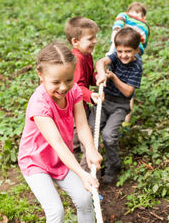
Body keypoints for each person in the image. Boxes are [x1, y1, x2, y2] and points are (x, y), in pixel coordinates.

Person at [18, 42, 102, 223]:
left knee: (85, 198)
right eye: (56, 82)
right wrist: (82, 173)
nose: (63, 87)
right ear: (41, 75)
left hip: (60, 160)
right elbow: (57, 143)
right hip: (36, 162)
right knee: (56, 211)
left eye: (69, 79)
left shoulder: (73, 92)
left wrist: (91, 150)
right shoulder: (39, 105)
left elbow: (81, 125)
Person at [91, 27, 142, 184]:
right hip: (105, 100)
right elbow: (100, 61)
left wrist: (112, 77)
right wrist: (101, 73)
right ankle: (94, 167)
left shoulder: (136, 66)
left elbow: (128, 92)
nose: (123, 55)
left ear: (136, 50)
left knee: (108, 135)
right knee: (92, 129)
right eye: (120, 51)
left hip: (120, 105)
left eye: (128, 51)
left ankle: (113, 165)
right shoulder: (116, 57)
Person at [64, 17, 101, 170]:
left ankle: (74, 152)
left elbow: (87, 77)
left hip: (81, 102)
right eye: (90, 39)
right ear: (75, 41)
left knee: (78, 134)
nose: (95, 41)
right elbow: (76, 85)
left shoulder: (87, 55)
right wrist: (90, 95)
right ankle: (84, 170)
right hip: (73, 105)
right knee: (83, 135)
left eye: (95, 38)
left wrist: (97, 77)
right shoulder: (76, 60)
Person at [106, 2, 150, 126]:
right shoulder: (126, 17)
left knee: (129, 92)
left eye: (139, 15)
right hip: (121, 49)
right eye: (133, 14)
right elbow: (118, 22)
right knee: (112, 78)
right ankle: (113, 115)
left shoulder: (143, 27)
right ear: (128, 12)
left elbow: (142, 44)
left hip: (132, 56)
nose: (135, 17)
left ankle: (126, 122)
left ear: (144, 17)